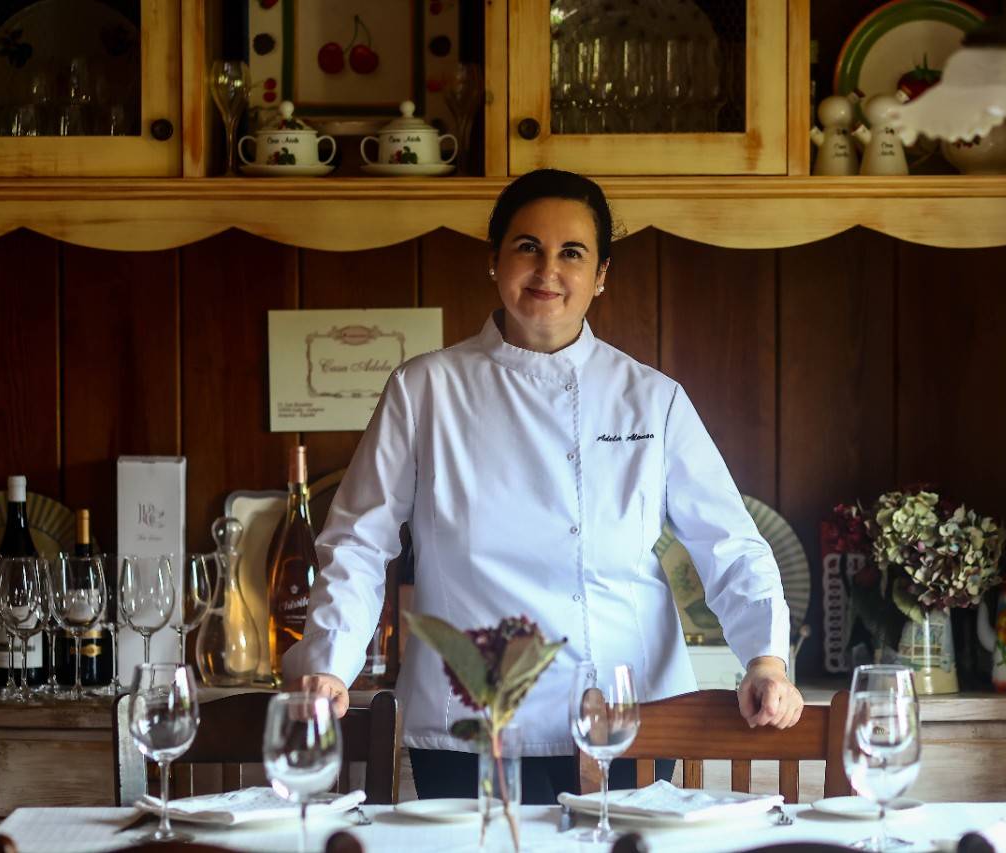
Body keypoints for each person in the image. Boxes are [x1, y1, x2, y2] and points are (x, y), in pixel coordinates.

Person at [283, 168, 803, 804]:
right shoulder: (424, 391)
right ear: (494, 261)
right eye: (527, 247)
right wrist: (331, 665)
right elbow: (359, 542)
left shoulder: (652, 400)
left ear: (602, 274)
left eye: (572, 253)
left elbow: (730, 543)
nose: (547, 270)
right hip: (469, 725)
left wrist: (767, 659)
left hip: (629, 719)